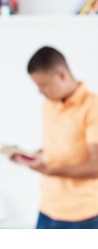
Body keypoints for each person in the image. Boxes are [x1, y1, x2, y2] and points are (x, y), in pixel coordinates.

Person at [13, 46, 98, 229]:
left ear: (61, 75)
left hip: (84, 216)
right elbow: (60, 147)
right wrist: (32, 156)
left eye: (43, 85)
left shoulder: (93, 107)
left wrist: (49, 170)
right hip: (47, 210)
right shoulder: (48, 106)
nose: (40, 91)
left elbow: (96, 165)